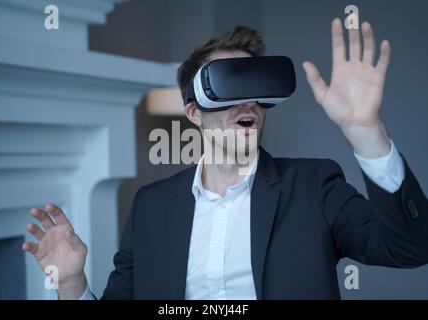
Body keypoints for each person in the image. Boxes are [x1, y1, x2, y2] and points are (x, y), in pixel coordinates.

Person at [22, 19, 428, 299]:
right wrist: (72, 283)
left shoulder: (314, 186)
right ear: (194, 111)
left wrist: (366, 133)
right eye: (229, 89)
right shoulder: (151, 206)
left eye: (255, 89)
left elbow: (411, 248)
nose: (246, 102)